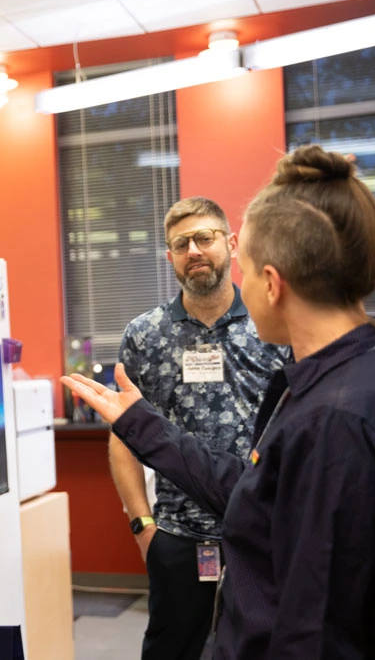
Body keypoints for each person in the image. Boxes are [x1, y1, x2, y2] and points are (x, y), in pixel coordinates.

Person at [64, 145, 375, 660]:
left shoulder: (340, 419)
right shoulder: (350, 382)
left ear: (271, 282)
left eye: (239, 264)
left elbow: (315, 631)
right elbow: (254, 493)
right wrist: (141, 425)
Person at [108, 196, 288, 660]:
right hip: (177, 537)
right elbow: (123, 435)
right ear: (170, 257)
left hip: (261, 535)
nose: (194, 251)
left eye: (204, 238)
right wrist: (142, 525)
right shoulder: (145, 335)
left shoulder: (270, 324)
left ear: (230, 243)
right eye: (181, 243)